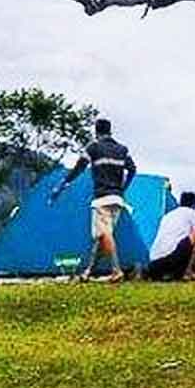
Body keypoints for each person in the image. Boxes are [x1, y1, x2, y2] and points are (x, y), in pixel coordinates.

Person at [49, 118, 136, 283]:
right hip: (117, 199)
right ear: (110, 131)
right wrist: (123, 188)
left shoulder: (94, 147)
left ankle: (116, 270)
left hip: (101, 198)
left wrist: (63, 184)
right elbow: (132, 169)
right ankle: (88, 271)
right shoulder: (122, 149)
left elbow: (79, 167)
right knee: (101, 238)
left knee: (104, 234)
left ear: (96, 132)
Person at [146, 191, 195, 281]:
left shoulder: (167, 215)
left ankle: (173, 272)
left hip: (154, 262)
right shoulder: (190, 212)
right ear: (194, 205)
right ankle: (188, 271)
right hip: (172, 258)